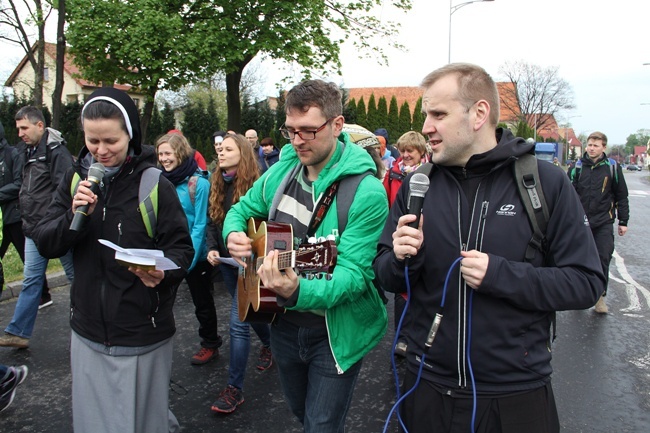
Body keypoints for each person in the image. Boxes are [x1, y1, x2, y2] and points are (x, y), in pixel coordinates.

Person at [373, 63, 605, 433]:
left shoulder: (544, 183)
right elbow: (383, 273)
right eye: (426, 115)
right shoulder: (419, 184)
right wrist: (402, 257)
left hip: (516, 395)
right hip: (427, 387)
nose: (426, 127)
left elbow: (586, 283)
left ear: (479, 113)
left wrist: (501, 275)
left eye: (438, 114)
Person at [223, 79, 388, 431]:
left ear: (337, 125)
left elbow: (354, 276)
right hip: (280, 322)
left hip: (333, 332)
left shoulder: (366, 192)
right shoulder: (281, 172)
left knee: (321, 425)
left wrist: (297, 291)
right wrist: (234, 235)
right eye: (290, 130)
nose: (297, 141)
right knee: (301, 413)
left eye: (309, 131)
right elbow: (241, 209)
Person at [32, 87, 194, 433]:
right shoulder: (76, 179)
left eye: (111, 141)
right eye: (93, 141)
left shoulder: (154, 185)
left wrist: (161, 274)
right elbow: (46, 242)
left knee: (142, 423)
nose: (101, 151)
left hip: (141, 333)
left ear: (130, 137)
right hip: (88, 332)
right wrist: (73, 219)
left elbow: (182, 251)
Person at [206, 133, 273, 414]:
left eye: (228, 149)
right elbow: (213, 220)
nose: (220, 153)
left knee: (238, 323)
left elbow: (270, 225)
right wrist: (211, 248)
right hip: (227, 263)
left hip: (250, 263)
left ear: (243, 153)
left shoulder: (260, 182)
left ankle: (235, 389)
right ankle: (271, 344)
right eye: (220, 149)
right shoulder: (217, 181)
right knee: (248, 312)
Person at [0, 107, 75, 349]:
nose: (19, 133)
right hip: (32, 229)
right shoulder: (25, 151)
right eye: (18, 128)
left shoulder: (56, 151)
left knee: (77, 278)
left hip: (54, 229)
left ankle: (93, 325)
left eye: (24, 128)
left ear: (40, 126)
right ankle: (18, 332)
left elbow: (63, 192)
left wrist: (57, 224)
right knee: (31, 279)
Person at [156, 132, 222, 364]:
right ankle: (155, 345)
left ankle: (210, 343)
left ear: (180, 153)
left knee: (202, 303)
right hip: (168, 253)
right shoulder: (161, 181)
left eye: (168, 153)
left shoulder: (199, 183)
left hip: (195, 255)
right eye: (160, 154)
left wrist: (187, 262)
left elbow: (200, 226)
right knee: (159, 302)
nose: (163, 158)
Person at [569, 131, 629, 314]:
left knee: (603, 258)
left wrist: (623, 221)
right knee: (577, 259)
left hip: (603, 222)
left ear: (604, 147)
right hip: (581, 222)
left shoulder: (612, 168)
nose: (591, 148)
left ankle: (599, 297)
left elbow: (621, 195)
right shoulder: (577, 167)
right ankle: (579, 294)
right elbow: (567, 195)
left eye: (596, 145)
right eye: (589, 145)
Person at [382, 130, 428, 357]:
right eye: (402, 151)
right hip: (396, 229)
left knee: (418, 288)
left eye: (411, 151)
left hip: (419, 230)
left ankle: (419, 335)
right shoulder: (393, 173)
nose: (406, 155)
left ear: (421, 152)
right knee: (400, 288)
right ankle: (402, 337)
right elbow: (385, 198)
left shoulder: (427, 175)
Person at [0, 120, 51, 305]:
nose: (21, 133)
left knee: (29, 260)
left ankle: (44, 295)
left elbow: (19, 183)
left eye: (23, 128)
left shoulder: (12, 153)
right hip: (1, 218)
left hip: (15, 216)